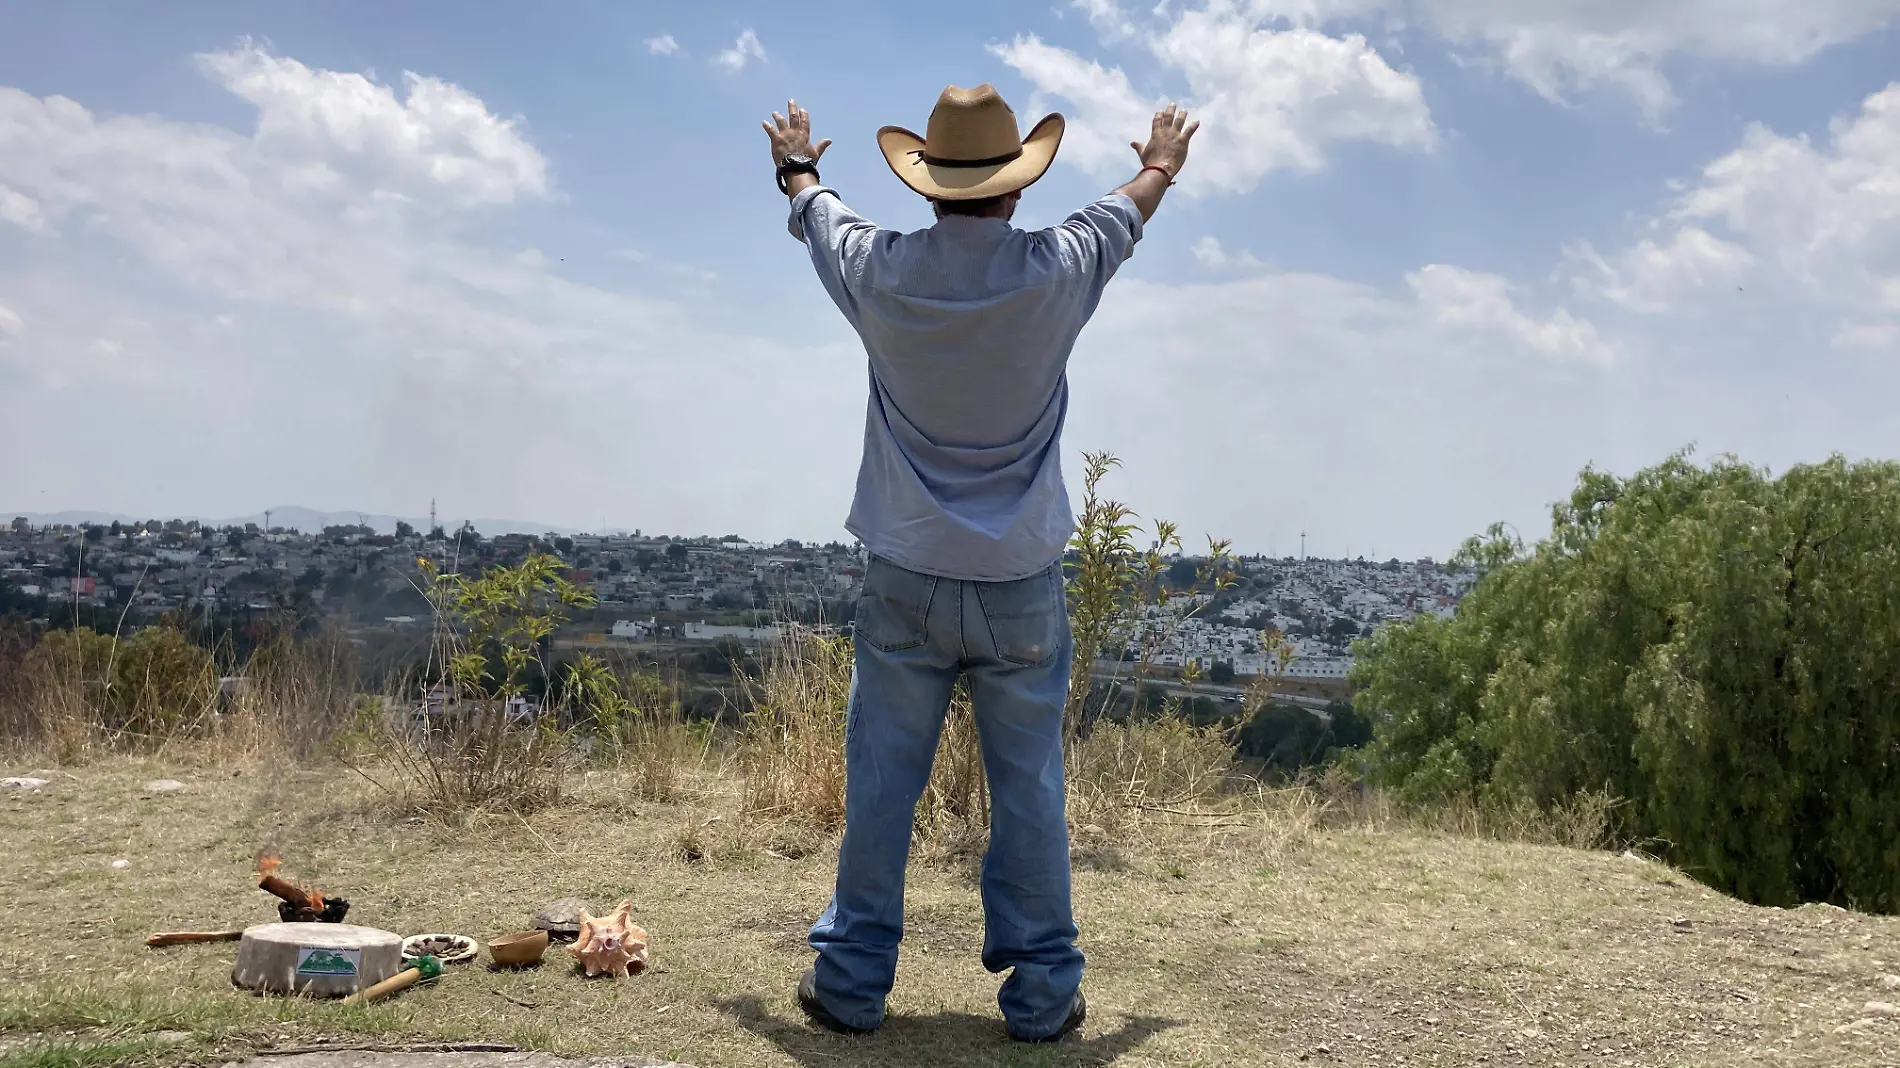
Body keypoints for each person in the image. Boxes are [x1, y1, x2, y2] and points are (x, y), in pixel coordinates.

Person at [761, 83, 1199, 1043]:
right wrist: (1163, 156)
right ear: (1014, 186)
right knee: (1030, 788)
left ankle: (850, 985)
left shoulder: (881, 272)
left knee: (881, 784)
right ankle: (1043, 996)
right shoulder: (1056, 269)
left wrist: (796, 163)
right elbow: (1132, 207)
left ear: (927, 185)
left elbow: (816, 216)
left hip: (907, 574)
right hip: (1020, 586)